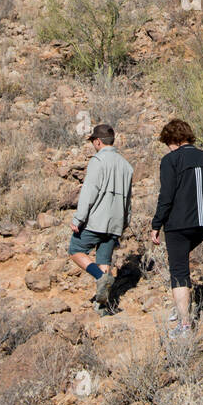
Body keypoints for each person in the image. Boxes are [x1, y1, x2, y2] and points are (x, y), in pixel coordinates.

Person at [150, 119, 203, 337]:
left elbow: (166, 195)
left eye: (168, 142)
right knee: (182, 260)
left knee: (178, 271)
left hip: (178, 224)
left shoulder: (170, 160)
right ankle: (181, 308)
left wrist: (156, 224)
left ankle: (185, 324)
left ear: (173, 140)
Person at [68, 123, 133, 309]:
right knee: (104, 260)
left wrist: (78, 219)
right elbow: (128, 199)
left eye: (93, 142)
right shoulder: (126, 165)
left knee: (75, 249)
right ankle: (103, 307)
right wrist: (125, 222)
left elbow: (89, 192)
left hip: (96, 221)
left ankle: (100, 277)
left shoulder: (98, 161)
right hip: (116, 222)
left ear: (98, 141)